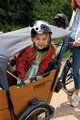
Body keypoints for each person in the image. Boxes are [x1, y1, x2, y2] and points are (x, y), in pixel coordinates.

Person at [16, 20, 57, 85]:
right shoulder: (29, 49)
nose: (41, 42)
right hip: (24, 73)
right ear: (33, 39)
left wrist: (40, 73)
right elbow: (20, 64)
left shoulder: (49, 50)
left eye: (44, 39)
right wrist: (24, 78)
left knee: (34, 88)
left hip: (36, 73)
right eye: (38, 39)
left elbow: (45, 63)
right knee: (23, 89)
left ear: (48, 39)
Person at [65, 0, 80, 107]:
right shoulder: (76, 9)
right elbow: (71, 27)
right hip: (70, 37)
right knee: (55, 56)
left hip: (78, 43)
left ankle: (77, 96)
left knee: (75, 71)